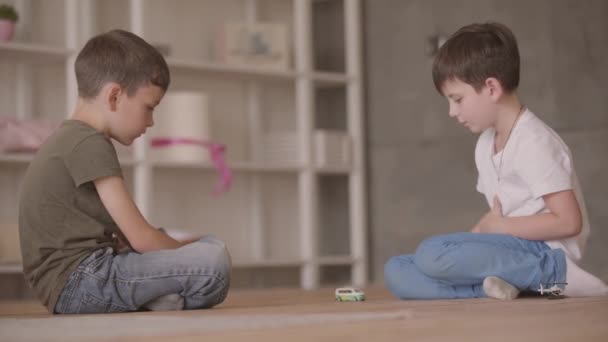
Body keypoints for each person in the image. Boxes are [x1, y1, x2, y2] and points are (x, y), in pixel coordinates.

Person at [384, 22, 608, 300]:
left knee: (432, 252)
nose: (452, 112)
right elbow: (494, 221)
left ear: (491, 88)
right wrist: (464, 248)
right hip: (506, 247)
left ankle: (557, 278)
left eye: (457, 99)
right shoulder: (485, 144)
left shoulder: (534, 142)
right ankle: (508, 288)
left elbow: (569, 222)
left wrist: (495, 229)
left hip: (543, 253)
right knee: (399, 269)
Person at [19, 29, 231, 314]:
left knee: (195, 244)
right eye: (149, 107)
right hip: (82, 281)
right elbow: (141, 238)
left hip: (72, 282)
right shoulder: (89, 142)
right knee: (214, 257)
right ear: (115, 96)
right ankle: (163, 293)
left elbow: (126, 236)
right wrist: (188, 253)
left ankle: (158, 298)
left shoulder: (71, 138)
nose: (151, 122)